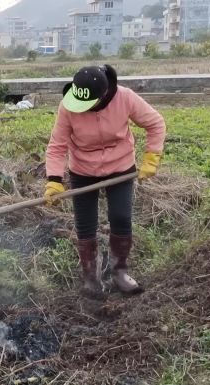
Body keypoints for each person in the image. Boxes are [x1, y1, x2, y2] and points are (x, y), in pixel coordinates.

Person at [44, 65, 166, 299]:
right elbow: (57, 145)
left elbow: (156, 123)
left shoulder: (125, 98)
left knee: (121, 217)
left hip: (120, 168)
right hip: (83, 170)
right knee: (85, 224)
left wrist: (152, 157)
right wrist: (54, 180)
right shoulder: (67, 107)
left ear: (103, 96)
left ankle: (120, 272)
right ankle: (91, 278)